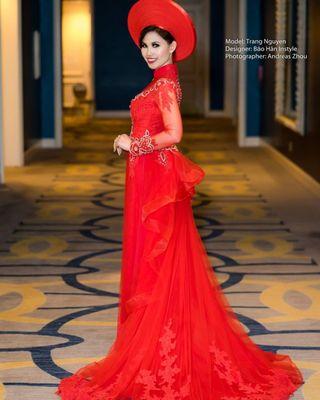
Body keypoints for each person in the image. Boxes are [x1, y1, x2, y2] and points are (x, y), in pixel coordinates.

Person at [56, 0, 304, 398]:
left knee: (162, 257)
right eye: (144, 46)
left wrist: (131, 142)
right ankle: (159, 338)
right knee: (157, 259)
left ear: (172, 47)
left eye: (156, 45)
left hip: (155, 175)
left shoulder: (166, 84)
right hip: (148, 173)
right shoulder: (159, 83)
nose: (149, 52)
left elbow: (174, 134)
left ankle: (164, 345)